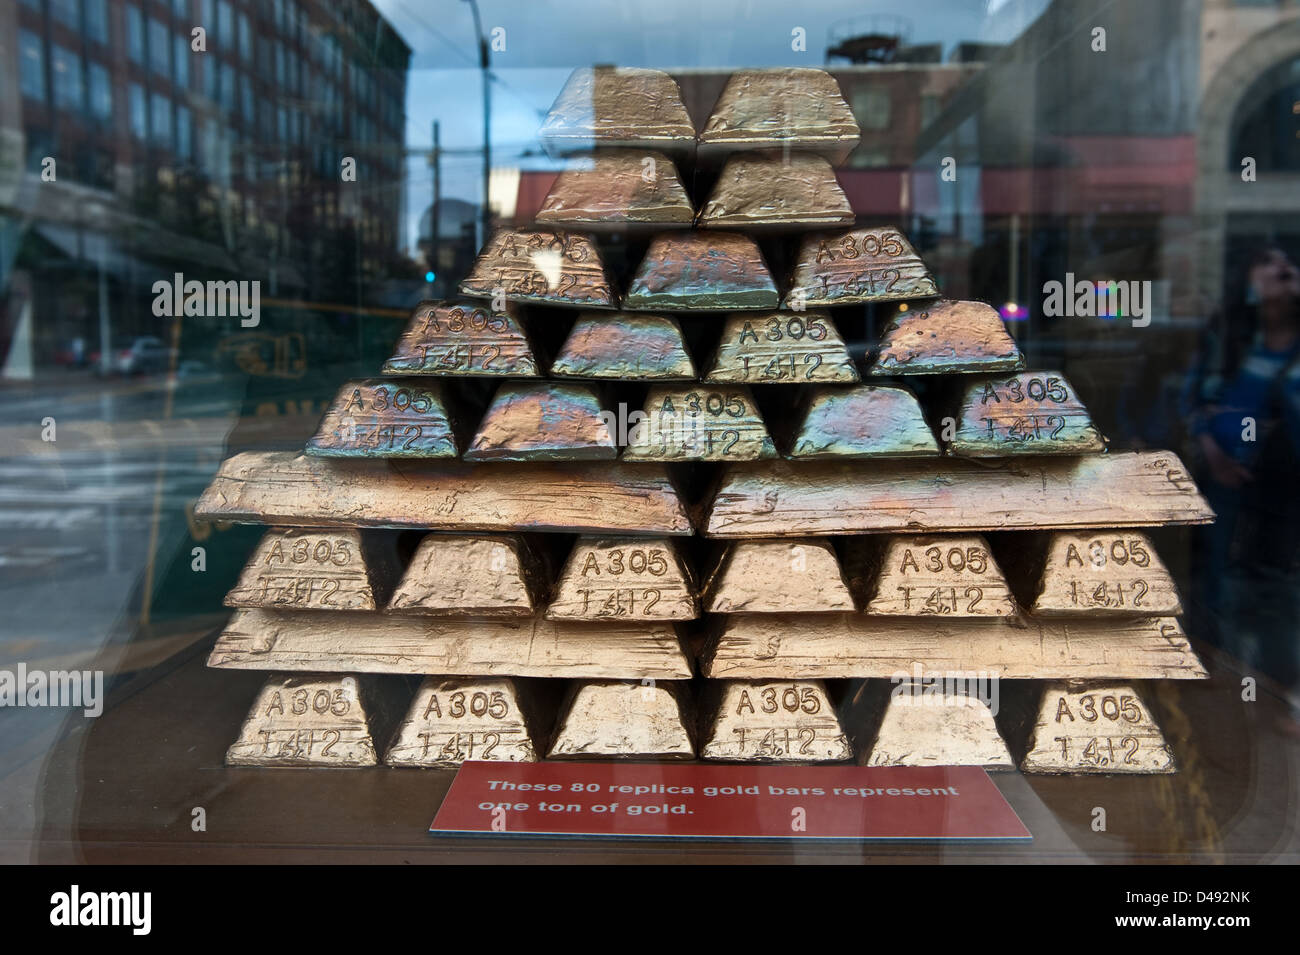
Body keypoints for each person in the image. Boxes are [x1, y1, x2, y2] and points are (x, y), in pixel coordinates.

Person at [1183, 246, 1300, 727]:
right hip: (1222, 481)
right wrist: (1212, 447)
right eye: (1269, 263)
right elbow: (1192, 401)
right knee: (1219, 575)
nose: (1283, 271)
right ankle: (1224, 686)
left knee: (1273, 584)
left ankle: (1279, 690)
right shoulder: (1228, 337)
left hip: (1282, 488)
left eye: (1289, 266)